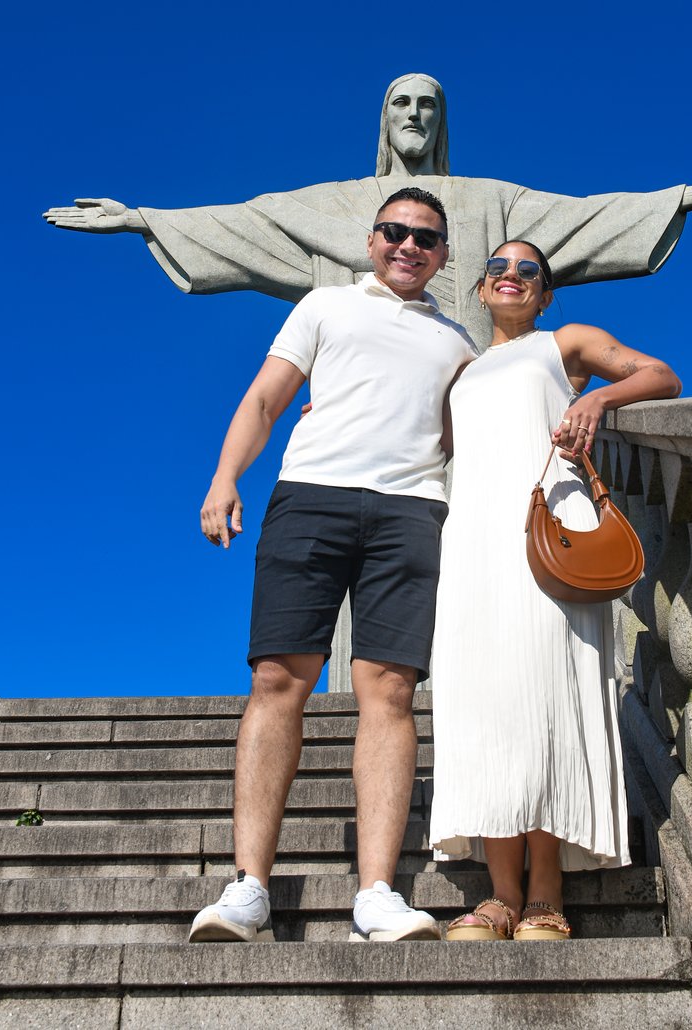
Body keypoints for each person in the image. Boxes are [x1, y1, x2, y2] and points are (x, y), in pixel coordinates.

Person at [189, 187, 476, 944]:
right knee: (278, 677)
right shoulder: (324, 306)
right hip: (311, 496)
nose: (408, 246)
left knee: (391, 690)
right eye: (395, 232)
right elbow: (266, 398)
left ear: (443, 253)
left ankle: (377, 893)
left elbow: (467, 440)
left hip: (412, 510)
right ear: (372, 240)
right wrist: (225, 478)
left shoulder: (457, 344)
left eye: (425, 237)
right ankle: (249, 887)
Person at [42, 72, 692, 352]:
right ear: (383, 118)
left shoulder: (493, 198)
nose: (415, 114)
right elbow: (248, 223)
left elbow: (583, 219)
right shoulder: (329, 204)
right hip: (368, 409)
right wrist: (143, 218)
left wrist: (680, 196)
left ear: (443, 121)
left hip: (472, 388)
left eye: (429, 104)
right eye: (402, 102)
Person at [428, 239, 681, 942]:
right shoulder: (464, 371)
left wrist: (599, 395)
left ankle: (547, 891)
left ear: (543, 293)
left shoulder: (565, 343)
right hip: (473, 544)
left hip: (547, 535)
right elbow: (433, 443)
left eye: (528, 272)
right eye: (499, 270)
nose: (512, 277)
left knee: (541, 696)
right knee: (486, 706)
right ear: (481, 291)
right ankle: (499, 894)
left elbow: (661, 375)